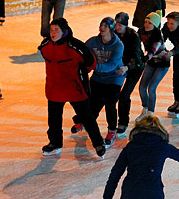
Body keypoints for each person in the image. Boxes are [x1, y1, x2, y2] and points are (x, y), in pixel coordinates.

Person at [39, 17, 105, 158]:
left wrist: (79, 75)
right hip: (54, 89)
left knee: (86, 117)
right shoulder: (45, 45)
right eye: (51, 30)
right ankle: (55, 143)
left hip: (75, 89)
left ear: (64, 32)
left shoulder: (76, 46)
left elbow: (91, 63)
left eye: (56, 30)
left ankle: (98, 143)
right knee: (54, 120)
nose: (53, 33)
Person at [70, 17, 125, 147]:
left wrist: (93, 66)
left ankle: (112, 130)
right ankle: (85, 122)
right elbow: (81, 50)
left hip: (114, 78)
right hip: (98, 78)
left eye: (105, 26)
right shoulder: (93, 41)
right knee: (91, 102)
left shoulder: (118, 45)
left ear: (111, 30)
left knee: (110, 104)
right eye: (101, 25)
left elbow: (111, 65)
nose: (102, 28)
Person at [114, 12, 144, 135]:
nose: (117, 27)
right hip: (120, 66)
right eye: (116, 24)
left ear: (125, 25)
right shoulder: (113, 34)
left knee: (124, 94)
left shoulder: (133, 36)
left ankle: (123, 122)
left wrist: (128, 67)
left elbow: (137, 56)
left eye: (120, 24)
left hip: (135, 67)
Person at [137, 12, 170, 120]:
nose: (146, 25)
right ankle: (145, 109)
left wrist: (147, 57)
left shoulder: (157, 36)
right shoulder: (142, 31)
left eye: (150, 23)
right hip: (151, 62)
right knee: (142, 87)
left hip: (162, 63)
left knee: (151, 88)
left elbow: (153, 49)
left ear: (155, 25)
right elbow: (136, 42)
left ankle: (150, 113)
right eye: (146, 22)